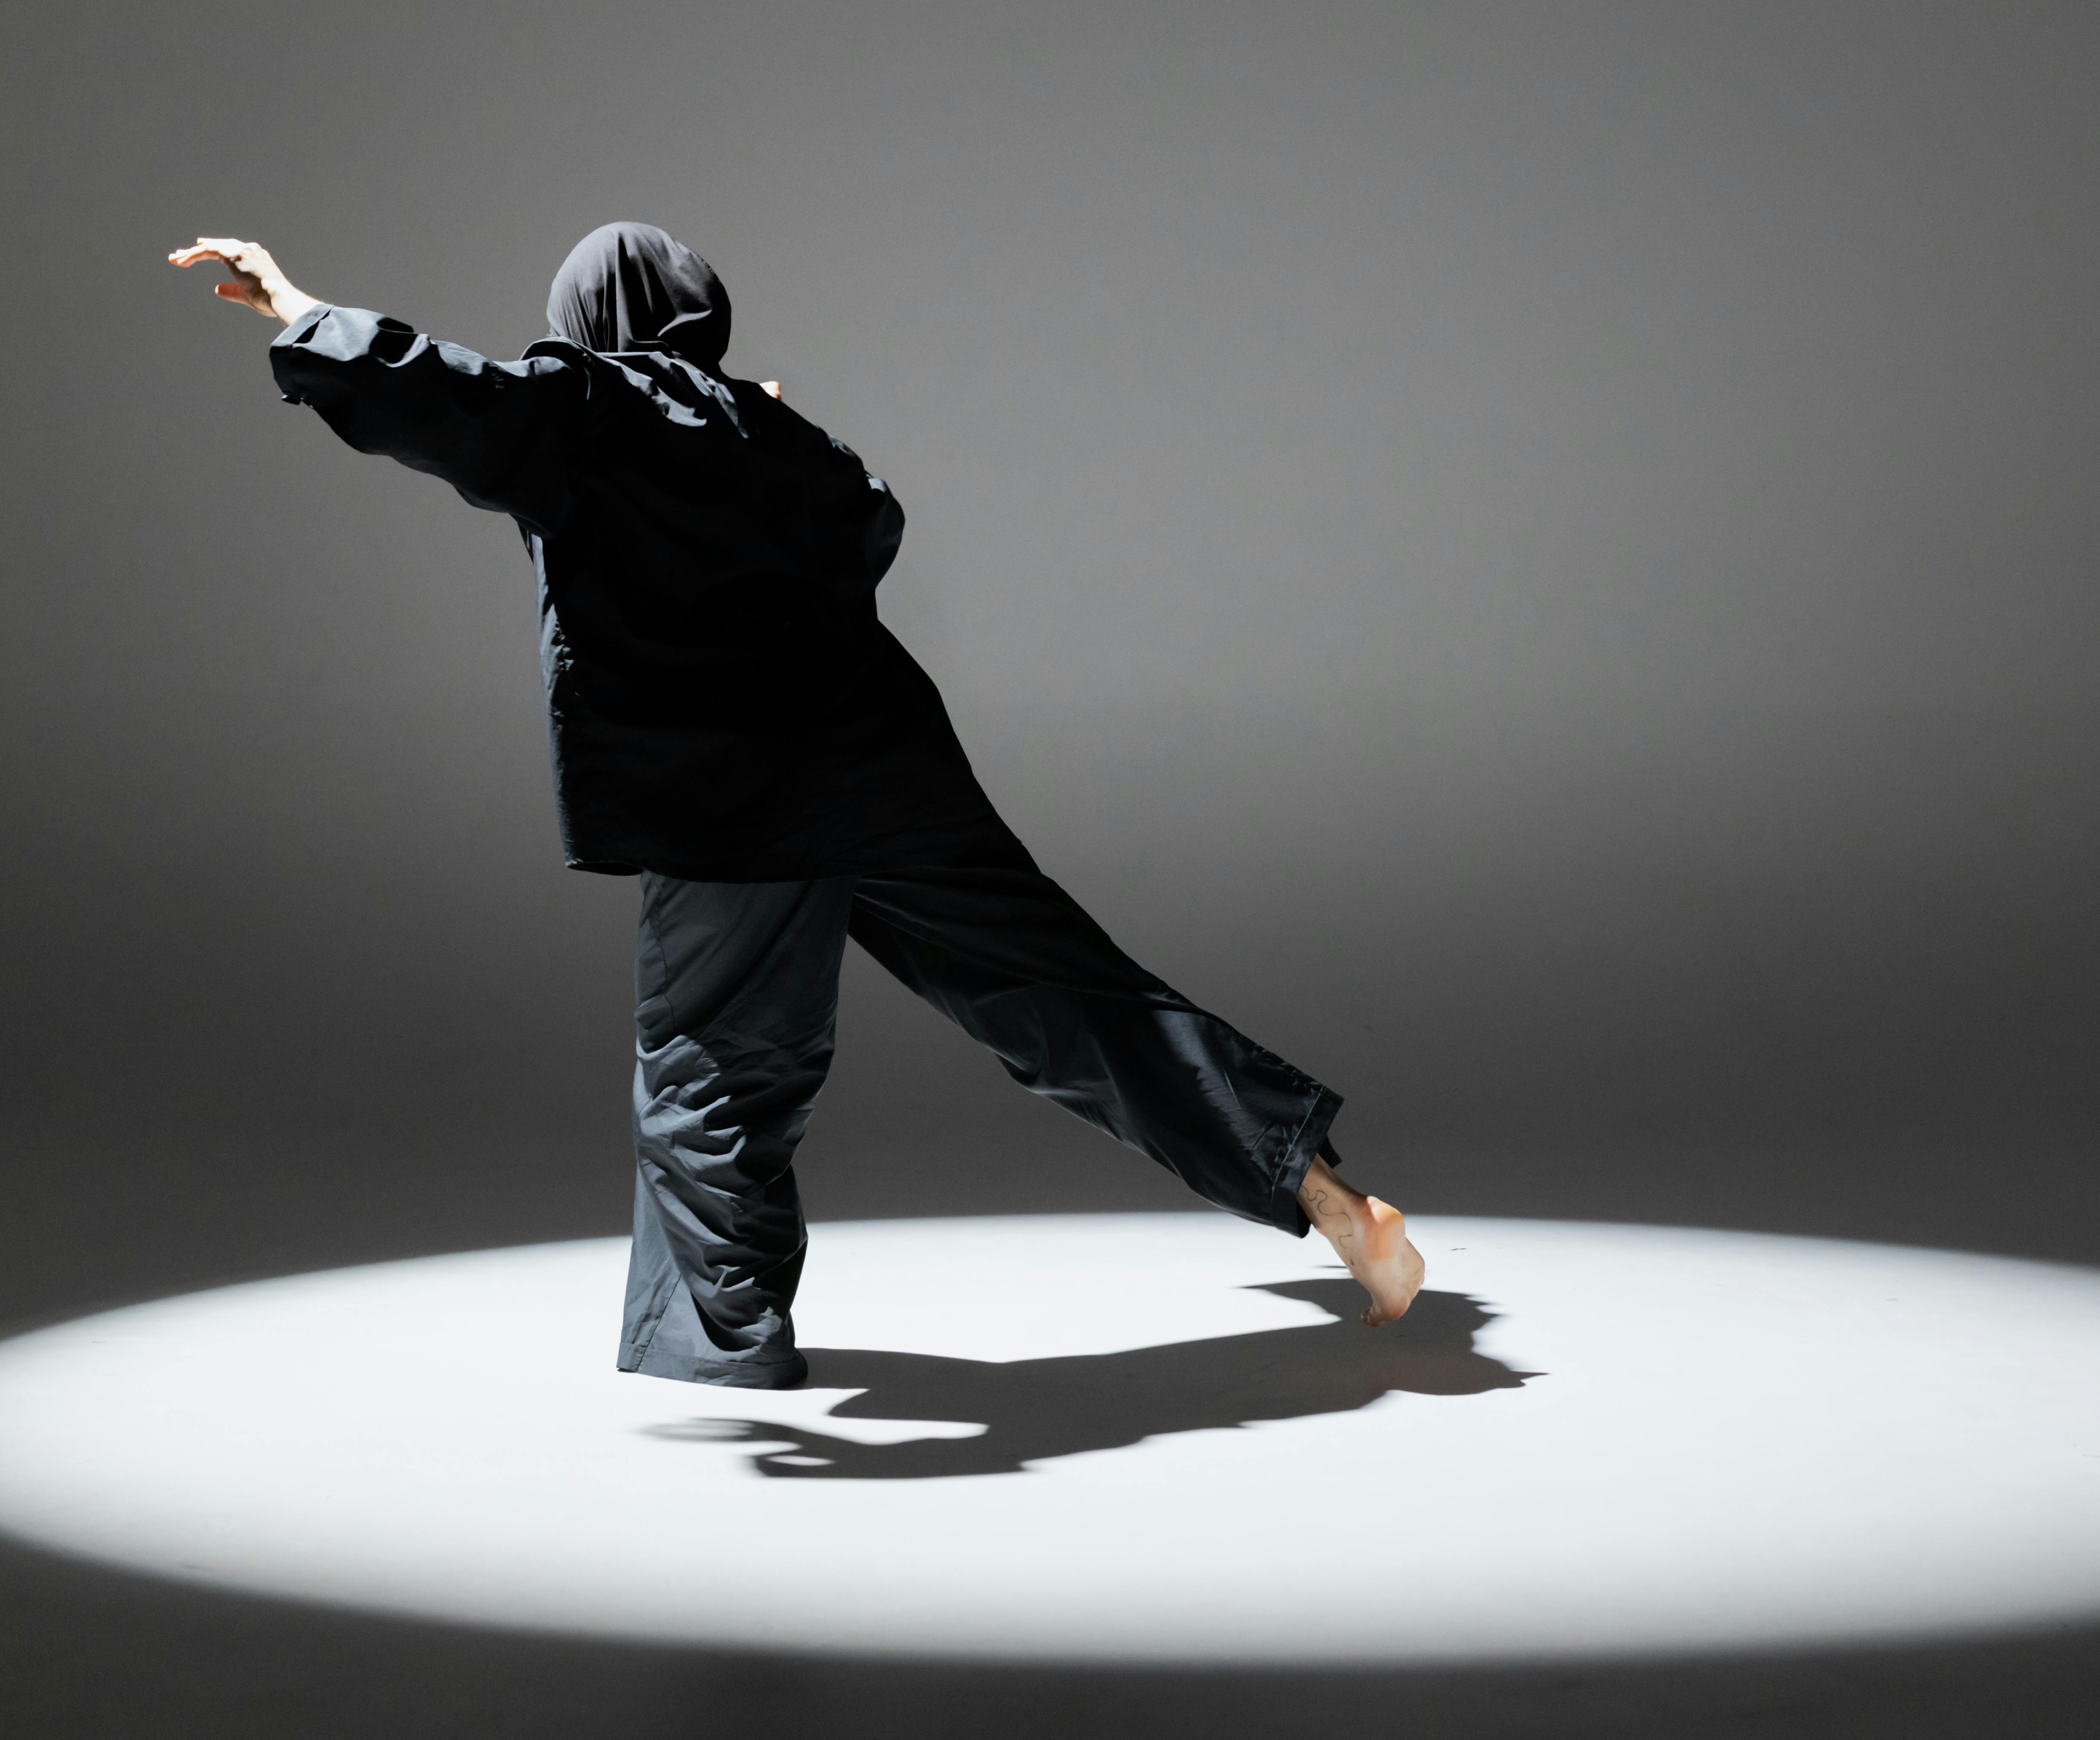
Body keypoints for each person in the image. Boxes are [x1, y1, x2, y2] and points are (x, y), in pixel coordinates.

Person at [169, 224, 1424, 1388]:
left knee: (709, 1066)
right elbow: (867, 529)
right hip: (886, 769)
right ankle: (1332, 1205)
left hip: (737, 798)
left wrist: (297, 304)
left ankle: (723, 1354)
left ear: (590, 320)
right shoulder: (788, 439)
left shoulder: (591, 407)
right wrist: (752, 437)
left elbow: (445, 394)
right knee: (1071, 998)